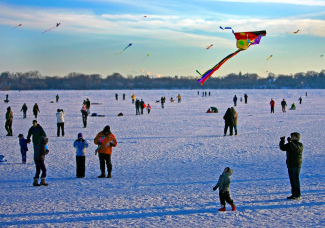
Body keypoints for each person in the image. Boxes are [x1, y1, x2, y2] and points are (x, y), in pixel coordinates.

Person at [279, 132, 303, 200]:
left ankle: (298, 194)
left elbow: (295, 148)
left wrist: (290, 142)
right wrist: (282, 141)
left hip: (296, 164)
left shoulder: (300, 145)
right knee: (292, 180)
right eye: (291, 136)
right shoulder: (290, 144)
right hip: (290, 164)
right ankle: (293, 194)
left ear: (297, 137)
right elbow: (282, 148)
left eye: (293, 136)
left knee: (295, 179)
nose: (292, 137)